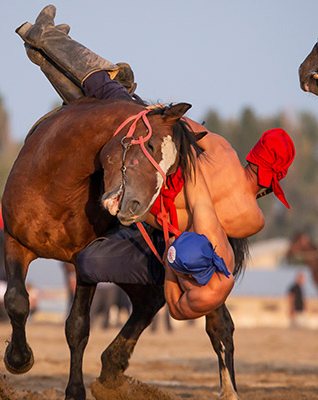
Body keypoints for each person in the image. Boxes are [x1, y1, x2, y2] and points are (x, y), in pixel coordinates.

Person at [17, 5, 295, 319]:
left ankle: (46, 38)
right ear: (274, 180)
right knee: (105, 103)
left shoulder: (222, 152)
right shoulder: (251, 220)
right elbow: (206, 241)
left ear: (254, 154)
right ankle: (44, 56)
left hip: (150, 182)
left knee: (111, 97)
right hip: (148, 212)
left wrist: (157, 110)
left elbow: (180, 126)